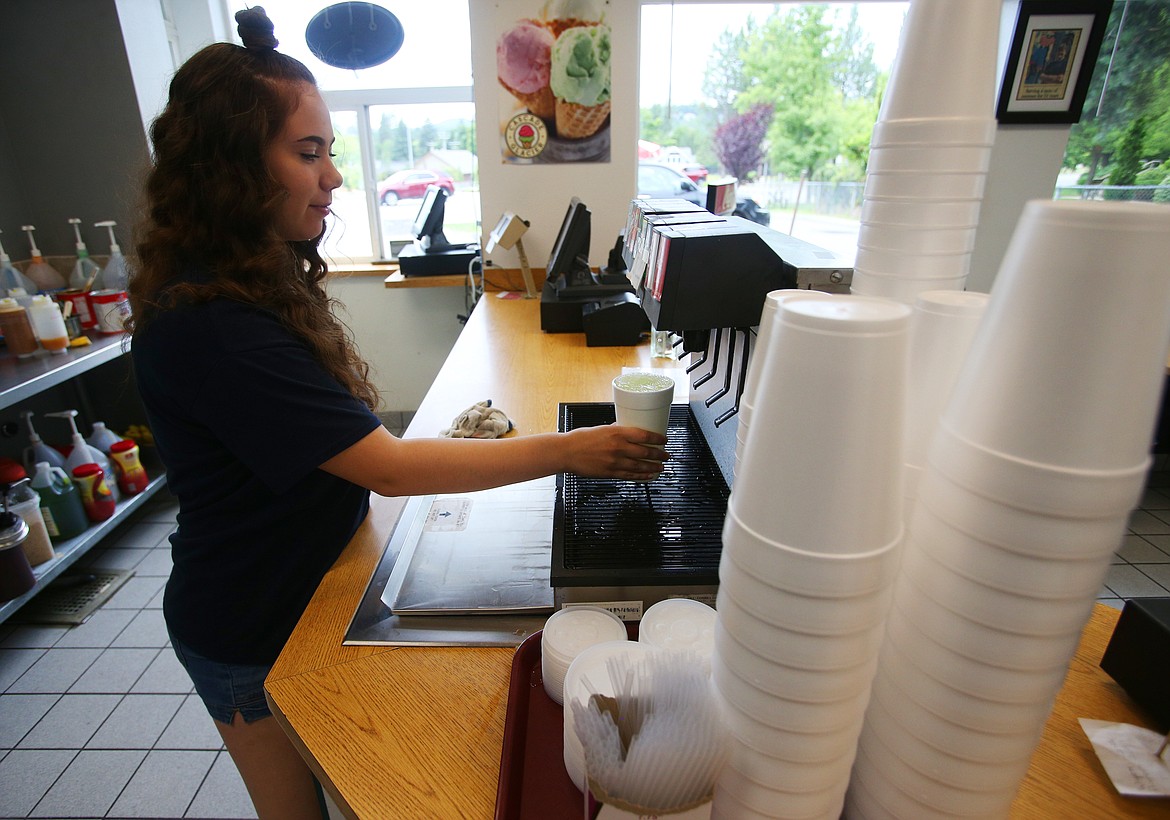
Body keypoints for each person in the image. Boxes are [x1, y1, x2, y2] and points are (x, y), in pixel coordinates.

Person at [127, 8, 667, 819]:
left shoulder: (248, 287)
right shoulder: (210, 326)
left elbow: (342, 450)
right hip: (250, 620)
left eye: (330, 153)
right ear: (230, 169)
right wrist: (572, 448)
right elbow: (388, 467)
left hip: (313, 579)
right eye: (307, 153)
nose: (333, 177)